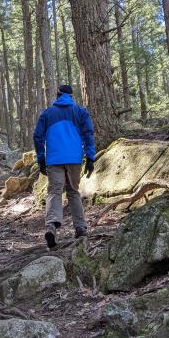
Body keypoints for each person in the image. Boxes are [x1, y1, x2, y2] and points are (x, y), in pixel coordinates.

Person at [33, 84, 95, 249]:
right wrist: (90, 157)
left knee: (54, 191)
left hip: (54, 158)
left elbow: (37, 136)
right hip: (74, 158)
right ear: (71, 95)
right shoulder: (80, 111)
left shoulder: (47, 113)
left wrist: (40, 158)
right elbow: (88, 134)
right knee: (73, 192)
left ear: (57, 95)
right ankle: (80, 227)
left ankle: (51, 226)